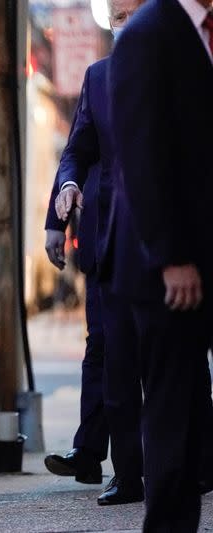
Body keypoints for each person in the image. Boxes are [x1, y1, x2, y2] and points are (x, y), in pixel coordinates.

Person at [108, 0, 213, 529]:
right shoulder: (148, 34)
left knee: (195, 412)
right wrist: (172, 258)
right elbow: (141, 157)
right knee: (174, 409)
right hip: (165, 267)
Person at [43, 0, 147, 507]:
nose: (124, 25)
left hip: (165, 241)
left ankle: (194, 462)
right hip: (107, 240)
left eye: (134, 14)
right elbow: (77, 150)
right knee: (109, 355)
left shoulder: (189, 69)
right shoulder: (98, 76)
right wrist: (61, 201)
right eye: (118, 16)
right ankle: (120, 469)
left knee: (173, 361)